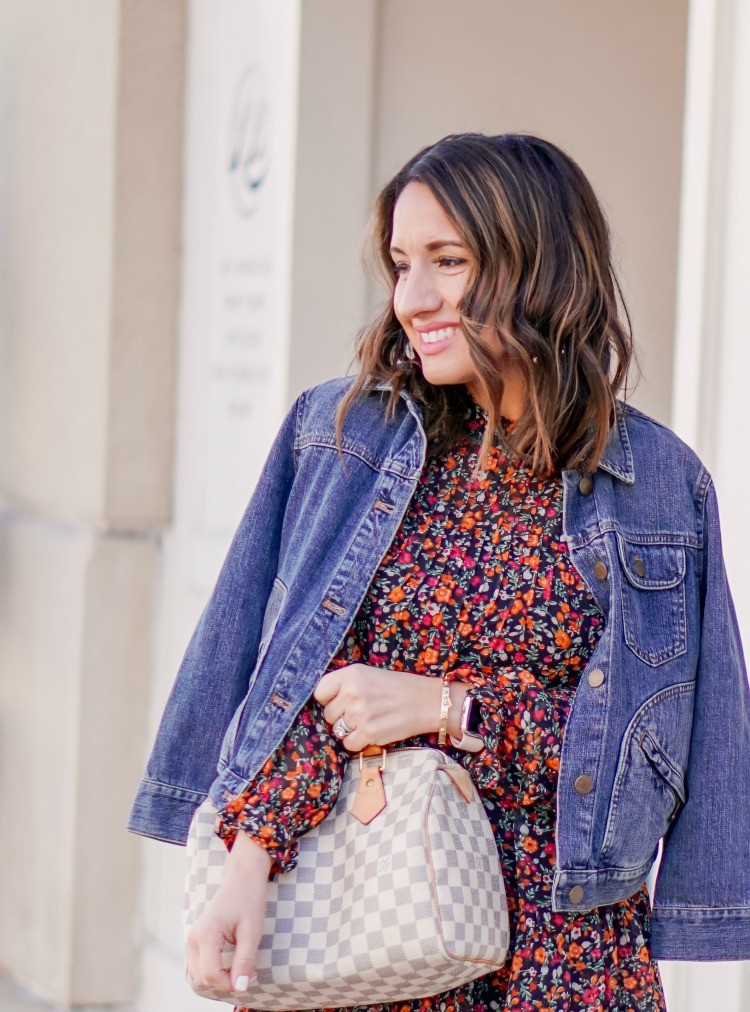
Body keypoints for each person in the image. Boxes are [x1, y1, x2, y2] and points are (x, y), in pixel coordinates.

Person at [128, 132, 750, 1011]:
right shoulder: (342, 440)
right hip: (369, 925)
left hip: (562, 956)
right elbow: (301, 686)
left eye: (446, 262)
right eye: (399, 264)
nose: (411, 298)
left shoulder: (655, 487)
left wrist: (448, 706)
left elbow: (646, 757)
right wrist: (248, 859)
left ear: (537, 268)